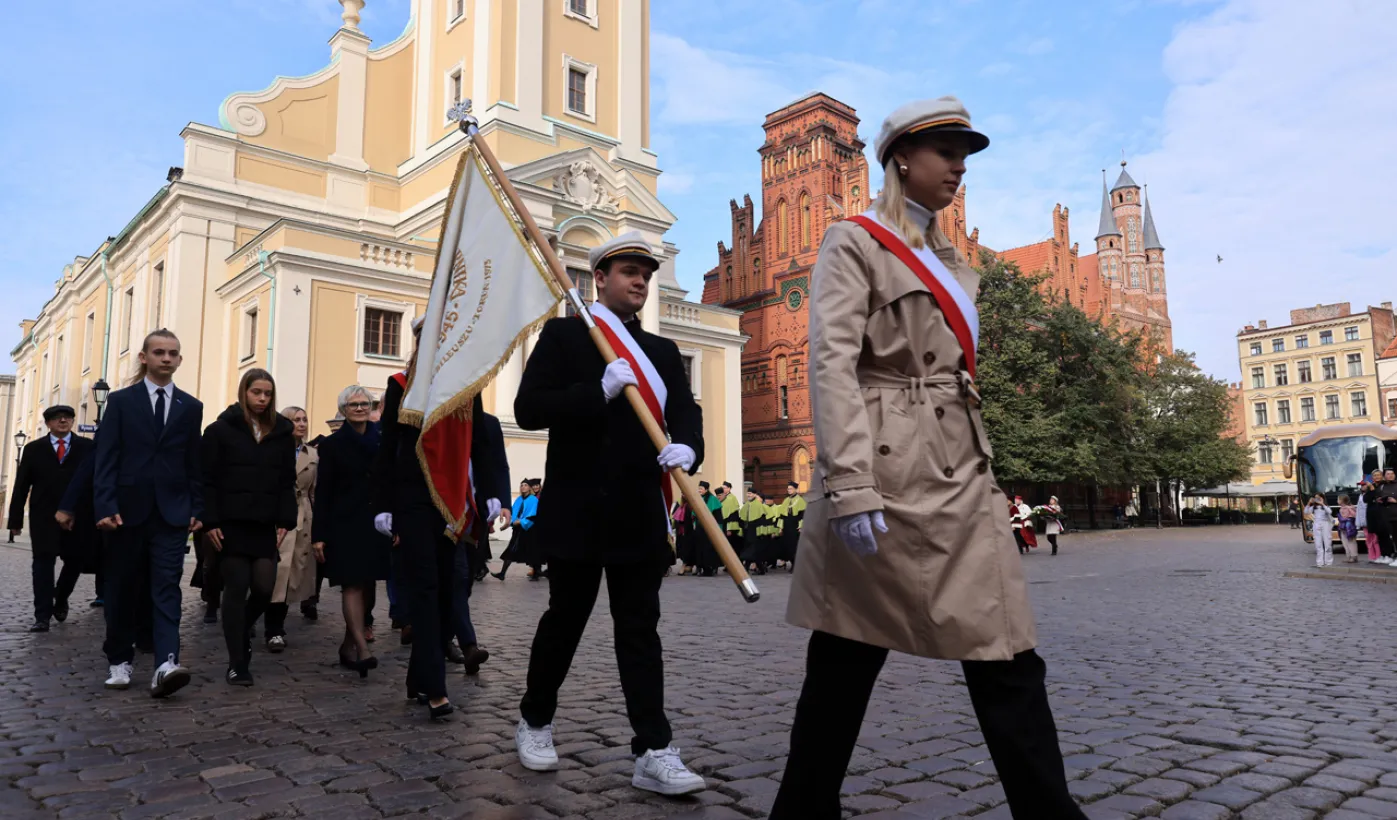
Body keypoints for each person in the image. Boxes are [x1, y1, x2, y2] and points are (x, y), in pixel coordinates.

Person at [774, 96, 1084, 819]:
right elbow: (831, 366)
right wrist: (848, 485)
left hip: (957, 461)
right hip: (885, 464)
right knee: (846, 656)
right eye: (945, 151)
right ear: (900, 160)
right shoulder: (854, 241)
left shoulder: (947, 257)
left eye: (963, 153)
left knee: (1004, 650)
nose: (958, 166)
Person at [511, 231, 707, 796]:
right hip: (578, 507)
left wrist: (689, 448)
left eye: (647, 271)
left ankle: (653, 748)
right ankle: (536, 720)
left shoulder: (663, 353)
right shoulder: (569, 335)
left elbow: (687, 413)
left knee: (640, 631)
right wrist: (594, 391)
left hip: (638, 511)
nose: (641, 280)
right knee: (564, 623)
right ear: (600, 278)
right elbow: (528, 409)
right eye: (628, 270)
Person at [93, 329, 204, 697]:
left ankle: (166, 663)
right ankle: (120, 661)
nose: (166, 358)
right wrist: (105, 505)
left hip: (172, 514)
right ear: (144, 357)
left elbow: (193, 463)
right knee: (122, 589)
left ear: (180, 359)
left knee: (166, 588)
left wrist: (196, 507)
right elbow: (106, 458)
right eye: (159, 352)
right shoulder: (122, 402)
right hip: (125, 513)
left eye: (173, 353)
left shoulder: (192, 406)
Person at [200, 369, 297, 685]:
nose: (262, 399)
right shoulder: (220, 430)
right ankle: (237, 662)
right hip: (230, 523)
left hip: (264, 524)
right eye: (256, 392)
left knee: (265, 588)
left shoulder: (282, 432)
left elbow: (286, 481)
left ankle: (240, 630)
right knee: (236, 587)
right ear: (244, 392)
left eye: (268, 394)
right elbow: (207, 479)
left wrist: (286, 519)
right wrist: (210, 521)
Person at [313, 385, 391, 677]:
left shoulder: (382, 441)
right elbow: (324, 494)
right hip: (343, 525)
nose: (359, 408)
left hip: (375, 524)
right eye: (353, 404)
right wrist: (319, 534)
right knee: (352, 585)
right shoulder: (332, 446)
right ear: (343, 410)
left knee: (368, 587)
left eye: (364, 404)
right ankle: (362, 648)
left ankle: (347, 646)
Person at [9, 405, 96, 632]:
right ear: (48, 423)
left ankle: (61, 596)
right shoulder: (33, 449)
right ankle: (42, 616)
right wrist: (15, 521)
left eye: (67, 417)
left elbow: (95, 482)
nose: (63, 421)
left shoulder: (87, 447)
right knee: (42, 564)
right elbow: (21, 486)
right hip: (43, 517)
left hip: (77, 516)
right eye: (57, 418)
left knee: (75, 560)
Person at [264, 407, 318, 644]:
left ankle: (275, 628)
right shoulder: (270, 449)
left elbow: (314, 493)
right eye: (296, 420)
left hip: (302, 517)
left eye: (305, 419)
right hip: (275, 514)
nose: (302, 424)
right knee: (270, 574)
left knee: (291, 575)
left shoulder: (313, 454)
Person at [494, 480, 538, 580]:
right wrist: (509, 523)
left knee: (532, 551)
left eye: (525, 485)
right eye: (521, 485)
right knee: (511, 550)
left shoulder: (533, 500)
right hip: (518, 530)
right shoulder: (518, 499)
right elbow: (513, 513)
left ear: (529, 488)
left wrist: (522, 522)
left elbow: (533, 515)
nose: (523, 487)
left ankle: (536, 573)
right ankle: (502, 573)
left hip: (529, 531)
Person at [779, 481, 806, 569]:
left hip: (795, 525)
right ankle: (791, 562)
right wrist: (780, 527)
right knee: (786, 545)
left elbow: (802, 515)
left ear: (795, 489)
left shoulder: (800, 500)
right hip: (786, 525)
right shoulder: (786, 500)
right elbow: (781, 515)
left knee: (794, 545)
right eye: (788, 489)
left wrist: (801, 526)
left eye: (791, 489)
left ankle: (795, 565)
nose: (789, 490)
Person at [1305, 494, 1334, 568]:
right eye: (1316, 498)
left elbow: (1330, 511)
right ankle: (1319, 562)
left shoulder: (1325, 507)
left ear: (1322, 498)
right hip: (1317, 524)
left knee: (1327, 543)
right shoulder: (1313, 508)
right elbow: (1306, 512)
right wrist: (1309, 503)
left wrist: (1322, 504)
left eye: (1319, 497)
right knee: (1318, 544)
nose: (1317, 499)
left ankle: (1328, 562)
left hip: (1325, 524)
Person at [1338, 494, 1359, 564]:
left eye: (1338, 499)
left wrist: (1341, 516)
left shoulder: (1347, 508)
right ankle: (1350, 556)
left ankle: (1353, 556)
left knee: (1350, 542)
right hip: (1345, 527)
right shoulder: (1344, 508)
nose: (1337, 501)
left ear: (1342, 501)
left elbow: (1347, 516)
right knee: (1346, 542)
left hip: (1348, 527)